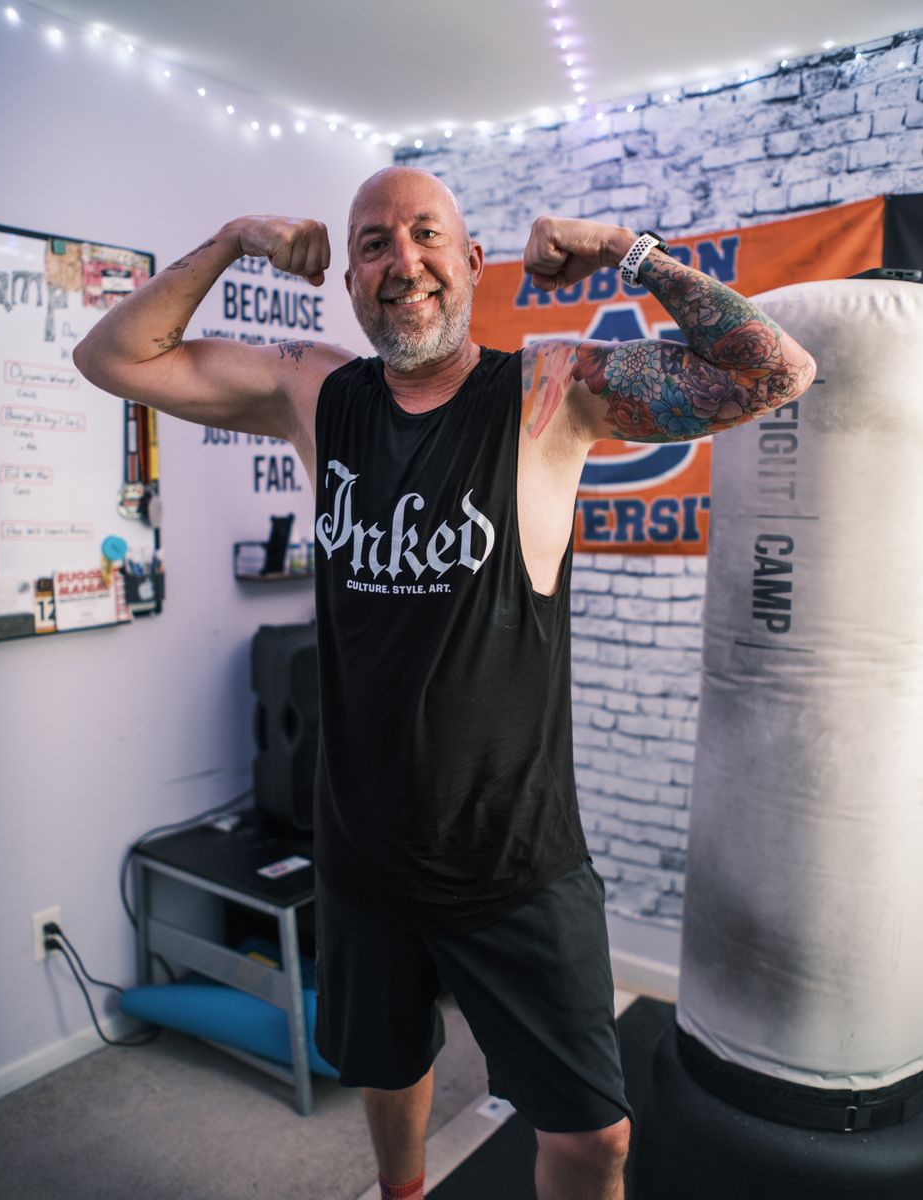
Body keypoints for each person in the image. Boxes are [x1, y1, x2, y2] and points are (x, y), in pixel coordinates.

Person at [73, 166, 816, 1200]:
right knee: (385, 1062)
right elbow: (111, 355)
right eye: (372, 243)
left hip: (514, 861)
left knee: (593, 1136)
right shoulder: (315, 395)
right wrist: (237, 237)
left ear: (470, 263)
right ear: (350, 277)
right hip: (361, 847)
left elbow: (772, 370)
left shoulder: (550, 392)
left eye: (427, 236)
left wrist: (620, 250)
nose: (401, 261)